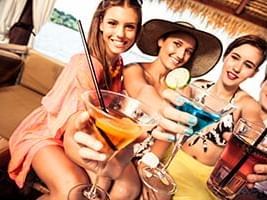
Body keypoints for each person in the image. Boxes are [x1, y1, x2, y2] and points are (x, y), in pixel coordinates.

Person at [8, 0, 143, 199]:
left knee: (111, 186)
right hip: (49, 133)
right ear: (100, 24)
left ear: (137, 31)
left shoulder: (118, 65)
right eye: (113, 23)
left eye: (129, 26)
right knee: (74, 189)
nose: (121, 34)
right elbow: (74, 127)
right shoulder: (86, 65)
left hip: (82, 139)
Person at [123, 19, 222, 199]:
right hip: (122, 145)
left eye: (188, 51)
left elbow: (169, 135)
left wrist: (148, 163)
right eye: (177, 44)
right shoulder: (134, 69)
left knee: (162, 195)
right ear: (161, 41)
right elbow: (142, 91)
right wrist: (164, 111)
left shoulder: (184, 90)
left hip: (148, 155)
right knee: (127, 190)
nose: (180, 54)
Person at [165, 34, 267, 199]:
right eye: (235, 57)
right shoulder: (196, 86)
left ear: (253, 73)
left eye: (248, 65)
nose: (237, 68)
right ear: (225, 56)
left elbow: (258, 142)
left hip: (201, 179)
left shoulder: (247, 105)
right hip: (170, 159)